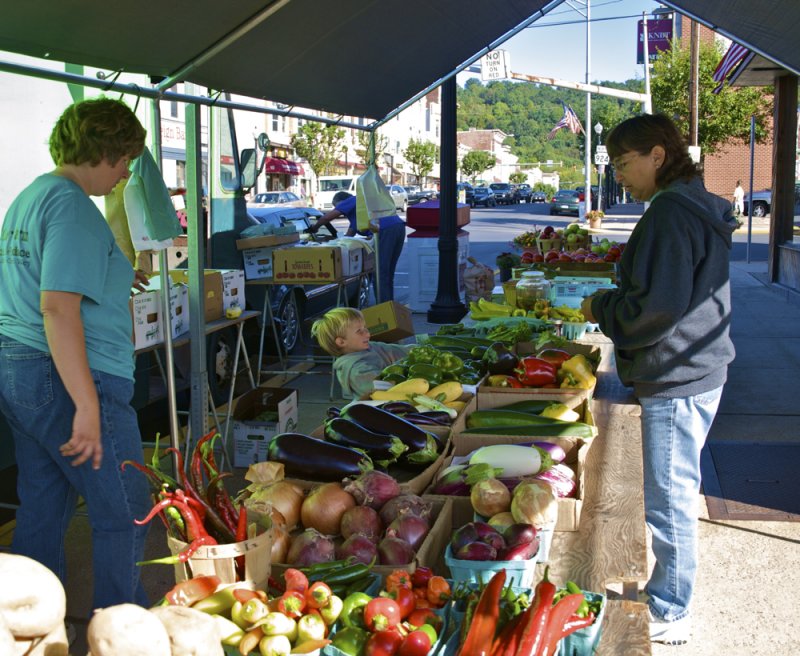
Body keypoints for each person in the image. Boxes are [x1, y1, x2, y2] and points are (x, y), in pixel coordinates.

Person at [580, 114, 737, 646]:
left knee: (669, 497)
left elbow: (658, 307)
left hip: (678, 375)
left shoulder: (671, 212)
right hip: (696, 368)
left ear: (658, 156)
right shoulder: (690, 203)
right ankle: (670, 592)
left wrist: (604, 305)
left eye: (624, 163)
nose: (618, 174)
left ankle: (672, 607)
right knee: (674, 489)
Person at [0, 97, 152, 611]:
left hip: (21, 370)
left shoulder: (33, 196)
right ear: (106, 151)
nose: (126, 171)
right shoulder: (72, 206)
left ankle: (29, 626)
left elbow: (47, 277)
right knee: (127, 505)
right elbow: (58, 309)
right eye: (126, 158)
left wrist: (112, 273)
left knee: (45, 504)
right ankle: (122, 627)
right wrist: (86, 406)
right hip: (68, 377)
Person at [310, 190, 406, 303]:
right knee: (387, 272)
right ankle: (390, 305)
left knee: (380, 273)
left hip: (385, 230)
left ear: (341, 202)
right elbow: (348, 236)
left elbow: (326, 218)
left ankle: (384, 308)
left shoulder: (351, 200)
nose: (342, 212)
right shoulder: (359, 212)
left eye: (337, 206)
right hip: (398, 227)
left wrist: (315, 228)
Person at [311, 307, 411, 399]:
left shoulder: (368, 347)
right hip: (382, 410)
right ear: (341, 342)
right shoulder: (357, 371)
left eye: (365, 327)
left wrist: (421, 349)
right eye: (359, 331)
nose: (367, 333)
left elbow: (395, 350)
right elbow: (387, 389)